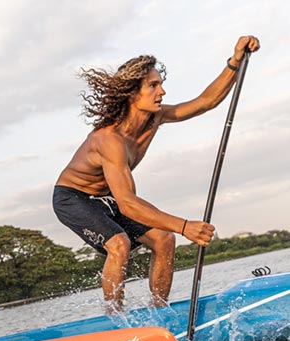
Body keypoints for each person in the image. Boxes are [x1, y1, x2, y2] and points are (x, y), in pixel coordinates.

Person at [53, 36, 260, 312]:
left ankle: (160, 313)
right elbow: (127, 203)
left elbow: (206, 102)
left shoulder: (156, 117)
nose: (161, 91)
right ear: (131, 93)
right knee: (119, 243)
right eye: (153, 85)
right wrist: (185, 226)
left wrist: (234, 61)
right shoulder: (109, 139)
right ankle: (114, 320)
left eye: (160, 84)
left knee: (164, 239)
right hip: (72, 198)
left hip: (106, 198)